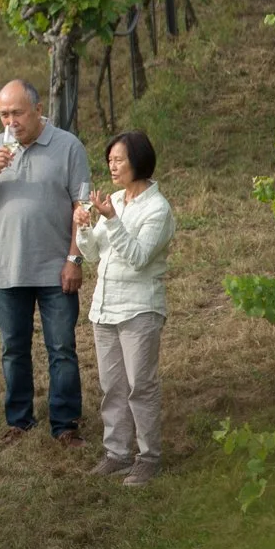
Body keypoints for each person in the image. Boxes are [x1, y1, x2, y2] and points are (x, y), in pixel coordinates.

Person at [0, 79, 91, 446]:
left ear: (37, 109)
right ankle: (19, 420)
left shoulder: (68, 147)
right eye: (4, 114)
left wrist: (74, 259)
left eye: (17, 112)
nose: (10, 121)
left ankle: (65, 424)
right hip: (9, 270)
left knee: (62, 348)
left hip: (55, 268)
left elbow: (80, 208)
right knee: (13, 349)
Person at [72, 130, 174, 486]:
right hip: (105, 307)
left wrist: (112, 220)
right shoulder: (115, 199)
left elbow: (139, 259)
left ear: (139, 162)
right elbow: (95, 254)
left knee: (140, 385)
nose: (112, 166)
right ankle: (117, 453)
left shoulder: (157, 209)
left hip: (140, 309)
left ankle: (149, 457)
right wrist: (84, 228)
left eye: (119, 160)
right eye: (110, 160)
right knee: (112, 385)